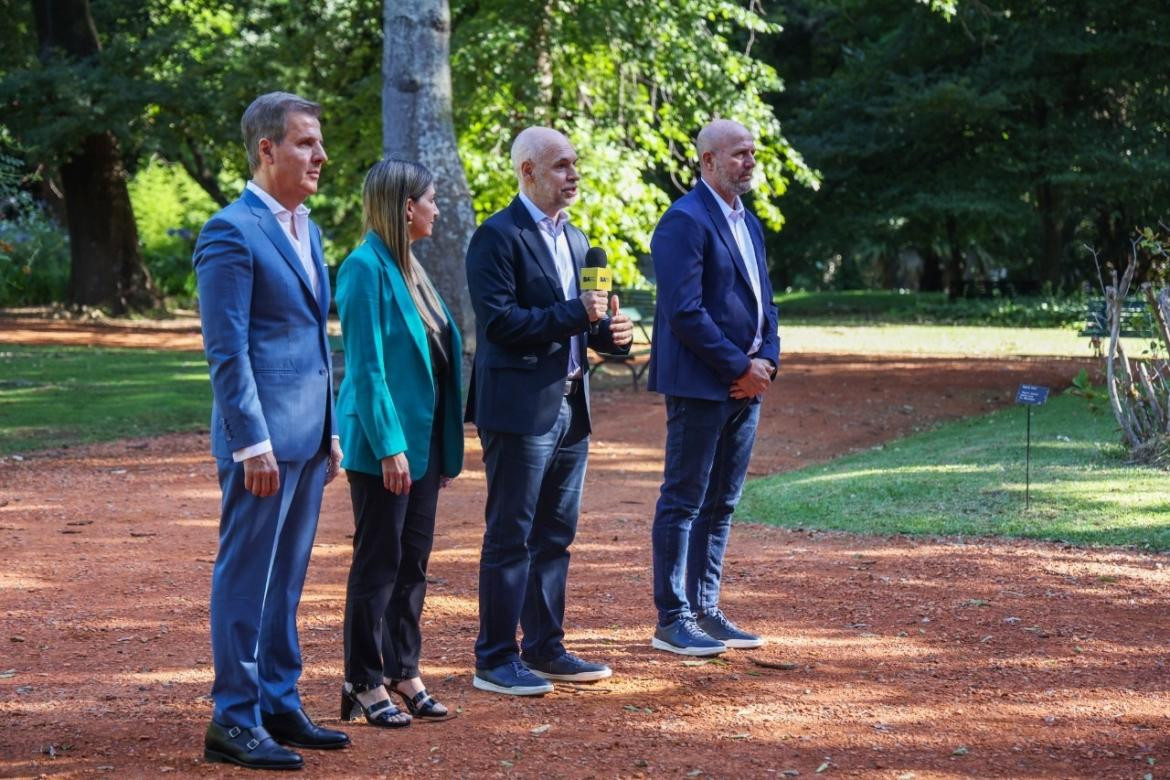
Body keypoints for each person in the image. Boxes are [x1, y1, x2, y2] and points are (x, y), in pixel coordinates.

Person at [194, 91, 349, 771]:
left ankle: (279, 702)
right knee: (247, 577)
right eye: (306, 143)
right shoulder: (230, 231)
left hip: (309, 440)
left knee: (286, 580)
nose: (320, 155)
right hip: (261, 444)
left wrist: (332, 430)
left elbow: (315, 339)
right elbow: (226, 349)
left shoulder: (307, 229)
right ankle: (233, 717)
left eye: (317, 143)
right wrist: (251, 441)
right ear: (267, 149)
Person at [464, 126, 635, 695]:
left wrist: (616, 335)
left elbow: (587, 323)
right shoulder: (496, 237)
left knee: (556, 535)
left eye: (575, 164)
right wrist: (574, 314)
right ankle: (494, 657)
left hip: (571, 404)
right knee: (510, 534)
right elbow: (499, 324)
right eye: (562, 165)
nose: (574, 175)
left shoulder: (580, 239)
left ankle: (544, 646)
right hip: (517, 409)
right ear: (527, 172)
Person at [334, 159, 464, 727]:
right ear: (406, 206)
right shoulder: (363, 269)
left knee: (412, 563)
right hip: (386, 447)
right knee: (378, 563)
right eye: (431, 199)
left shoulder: (411, 266)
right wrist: (390, 447)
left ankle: (402, 671)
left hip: (425, 443)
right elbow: (365, 368)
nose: (437, 208)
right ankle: (361, 679)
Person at [646, 119, 779, 657]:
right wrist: (737, 367)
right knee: (683, 500)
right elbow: (684, 311)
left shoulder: (748, 222)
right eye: (738, 155)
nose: (749, 162)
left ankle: (706, 609)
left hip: (748, 386)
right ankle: (672, 618)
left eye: (752, 153)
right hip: (703, 385)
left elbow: (766, 303)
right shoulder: (683, 220)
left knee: (721, 502)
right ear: (707, 161)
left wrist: (766, 360)